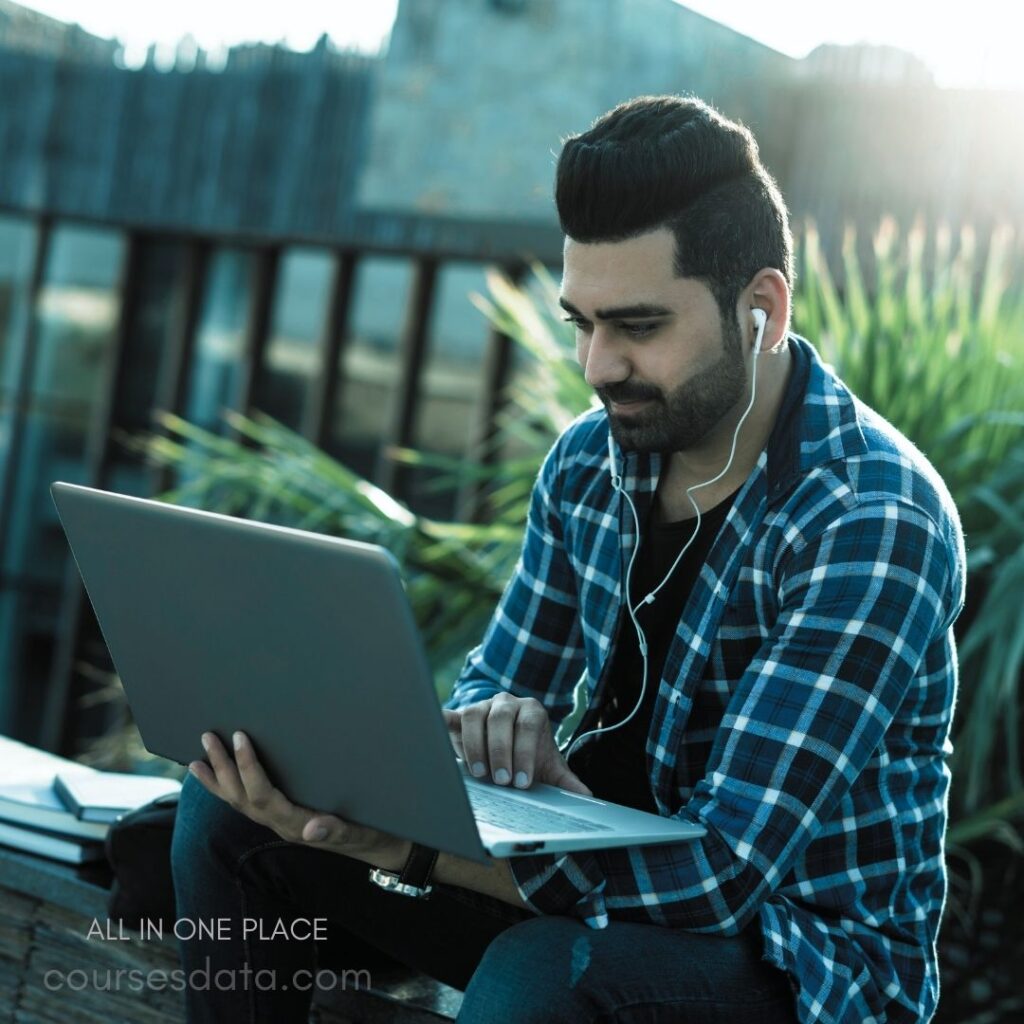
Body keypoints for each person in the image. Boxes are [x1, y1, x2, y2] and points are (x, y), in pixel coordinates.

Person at [172, 95, 966, 1024]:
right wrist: (483, 738)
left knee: (542, 980)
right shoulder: (593, 462)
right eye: (580, 323)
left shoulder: (871, 518)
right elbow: (484, 699)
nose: (596, 365)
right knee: (225, 819)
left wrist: (405, 849)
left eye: (637, 327)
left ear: (762, 309)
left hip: (798, 961)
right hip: (582, 896)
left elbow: (721, 878)